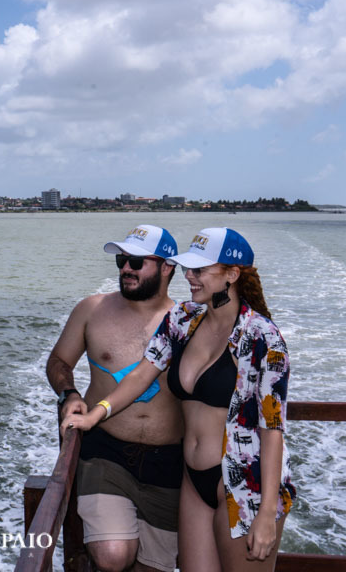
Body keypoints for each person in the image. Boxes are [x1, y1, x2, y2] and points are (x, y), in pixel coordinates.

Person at [62, 227, 294, 572]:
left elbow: (272, 428)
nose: (189, 276)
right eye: (188, 268)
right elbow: (142, 374)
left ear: (231, 274)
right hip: (192, 479)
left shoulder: (263, 338)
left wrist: (265, 513)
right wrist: (95, 415)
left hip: (245, 481)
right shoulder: (183, 319)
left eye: (199, 270)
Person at [46, 225, 184, 572]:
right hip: (105, 451)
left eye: (136, 261)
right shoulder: (92, 309)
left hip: (169, 460)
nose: (125, 268)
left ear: (167, 267)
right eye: (122, 260)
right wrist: (69, 394)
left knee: (154, 566)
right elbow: (59, 362)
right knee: (112, 555)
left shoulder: (187, 322)